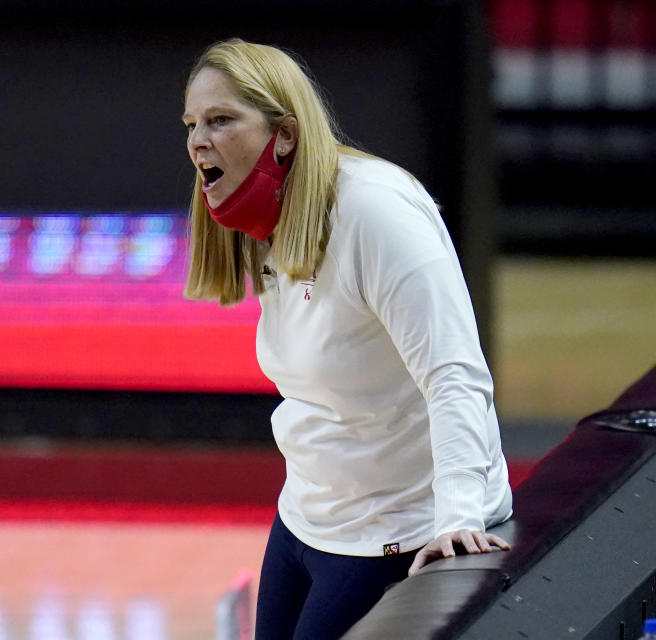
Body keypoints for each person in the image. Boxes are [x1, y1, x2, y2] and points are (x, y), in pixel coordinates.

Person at [181, 39, 513, 638]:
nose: (198, 140)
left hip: (395, 531)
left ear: (283, 135)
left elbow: (454, 373)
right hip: (306, 517)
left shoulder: (375, 213)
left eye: (221, 119)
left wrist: (459, 518)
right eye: (192, 124)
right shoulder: (268, 215)